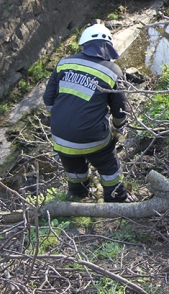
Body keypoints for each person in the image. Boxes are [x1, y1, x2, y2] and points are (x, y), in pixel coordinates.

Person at [43, 23, 131, 203]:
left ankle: (78, 194)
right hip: (92, 138)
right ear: (107, 49)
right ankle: (116, 199)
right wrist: (116, 129)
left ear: (84, 44)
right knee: (108, 162)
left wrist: (62, 122)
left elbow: (48, 100)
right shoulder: (112, 71)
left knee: (73, 165)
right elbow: (120, 111)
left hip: (60, 137)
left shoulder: (63, 63)